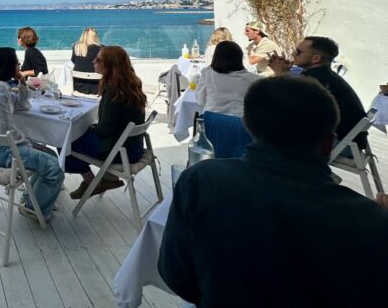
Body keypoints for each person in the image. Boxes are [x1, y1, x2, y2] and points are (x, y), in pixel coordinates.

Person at [158, 76, 388, 307]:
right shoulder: (368, 220)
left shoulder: (201, 181)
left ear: (247, 125)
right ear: (329, 143)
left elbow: (177, 277)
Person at [0, 47, 64, 221]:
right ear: (8, 65)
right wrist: (27, 143)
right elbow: (7, 131)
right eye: (17, 63)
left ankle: (33, 200)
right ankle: (34, 209)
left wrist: (21, 81)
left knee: (49, 153)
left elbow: (23, 106)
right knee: (54, 168)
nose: (18, 66)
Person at [64, 46, 147, 199]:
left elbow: (105, 130)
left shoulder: (114, 91)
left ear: (110, 66)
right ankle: (108, 179)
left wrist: (89, 127)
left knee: (64, 138)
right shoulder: (130, 85)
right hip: (134, 147)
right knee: (76, 134)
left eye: (98, 59)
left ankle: (91, 182)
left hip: (119, 152)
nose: (93, 61)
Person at [269, 36, 369, 150]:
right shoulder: (325, 76)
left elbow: (283, 105)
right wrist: (284, 73)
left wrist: (279, 73)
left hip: (341, 144)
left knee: (261, 129)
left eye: (298, 52)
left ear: (316, 58)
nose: (293, 54)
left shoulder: (317, 80)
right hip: (350, 141)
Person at [196, 41, 260, 117]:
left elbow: (200, 100)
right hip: (242, 124)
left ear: (216, 57)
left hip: (213, 122)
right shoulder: (254, 79)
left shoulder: (207, 74)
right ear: (240, 58)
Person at [71, 27, 102, 95]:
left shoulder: (76, 47)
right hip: (97, 87)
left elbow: (73, 60)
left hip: (78, 86)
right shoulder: (101, 49)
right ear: (95, 36)